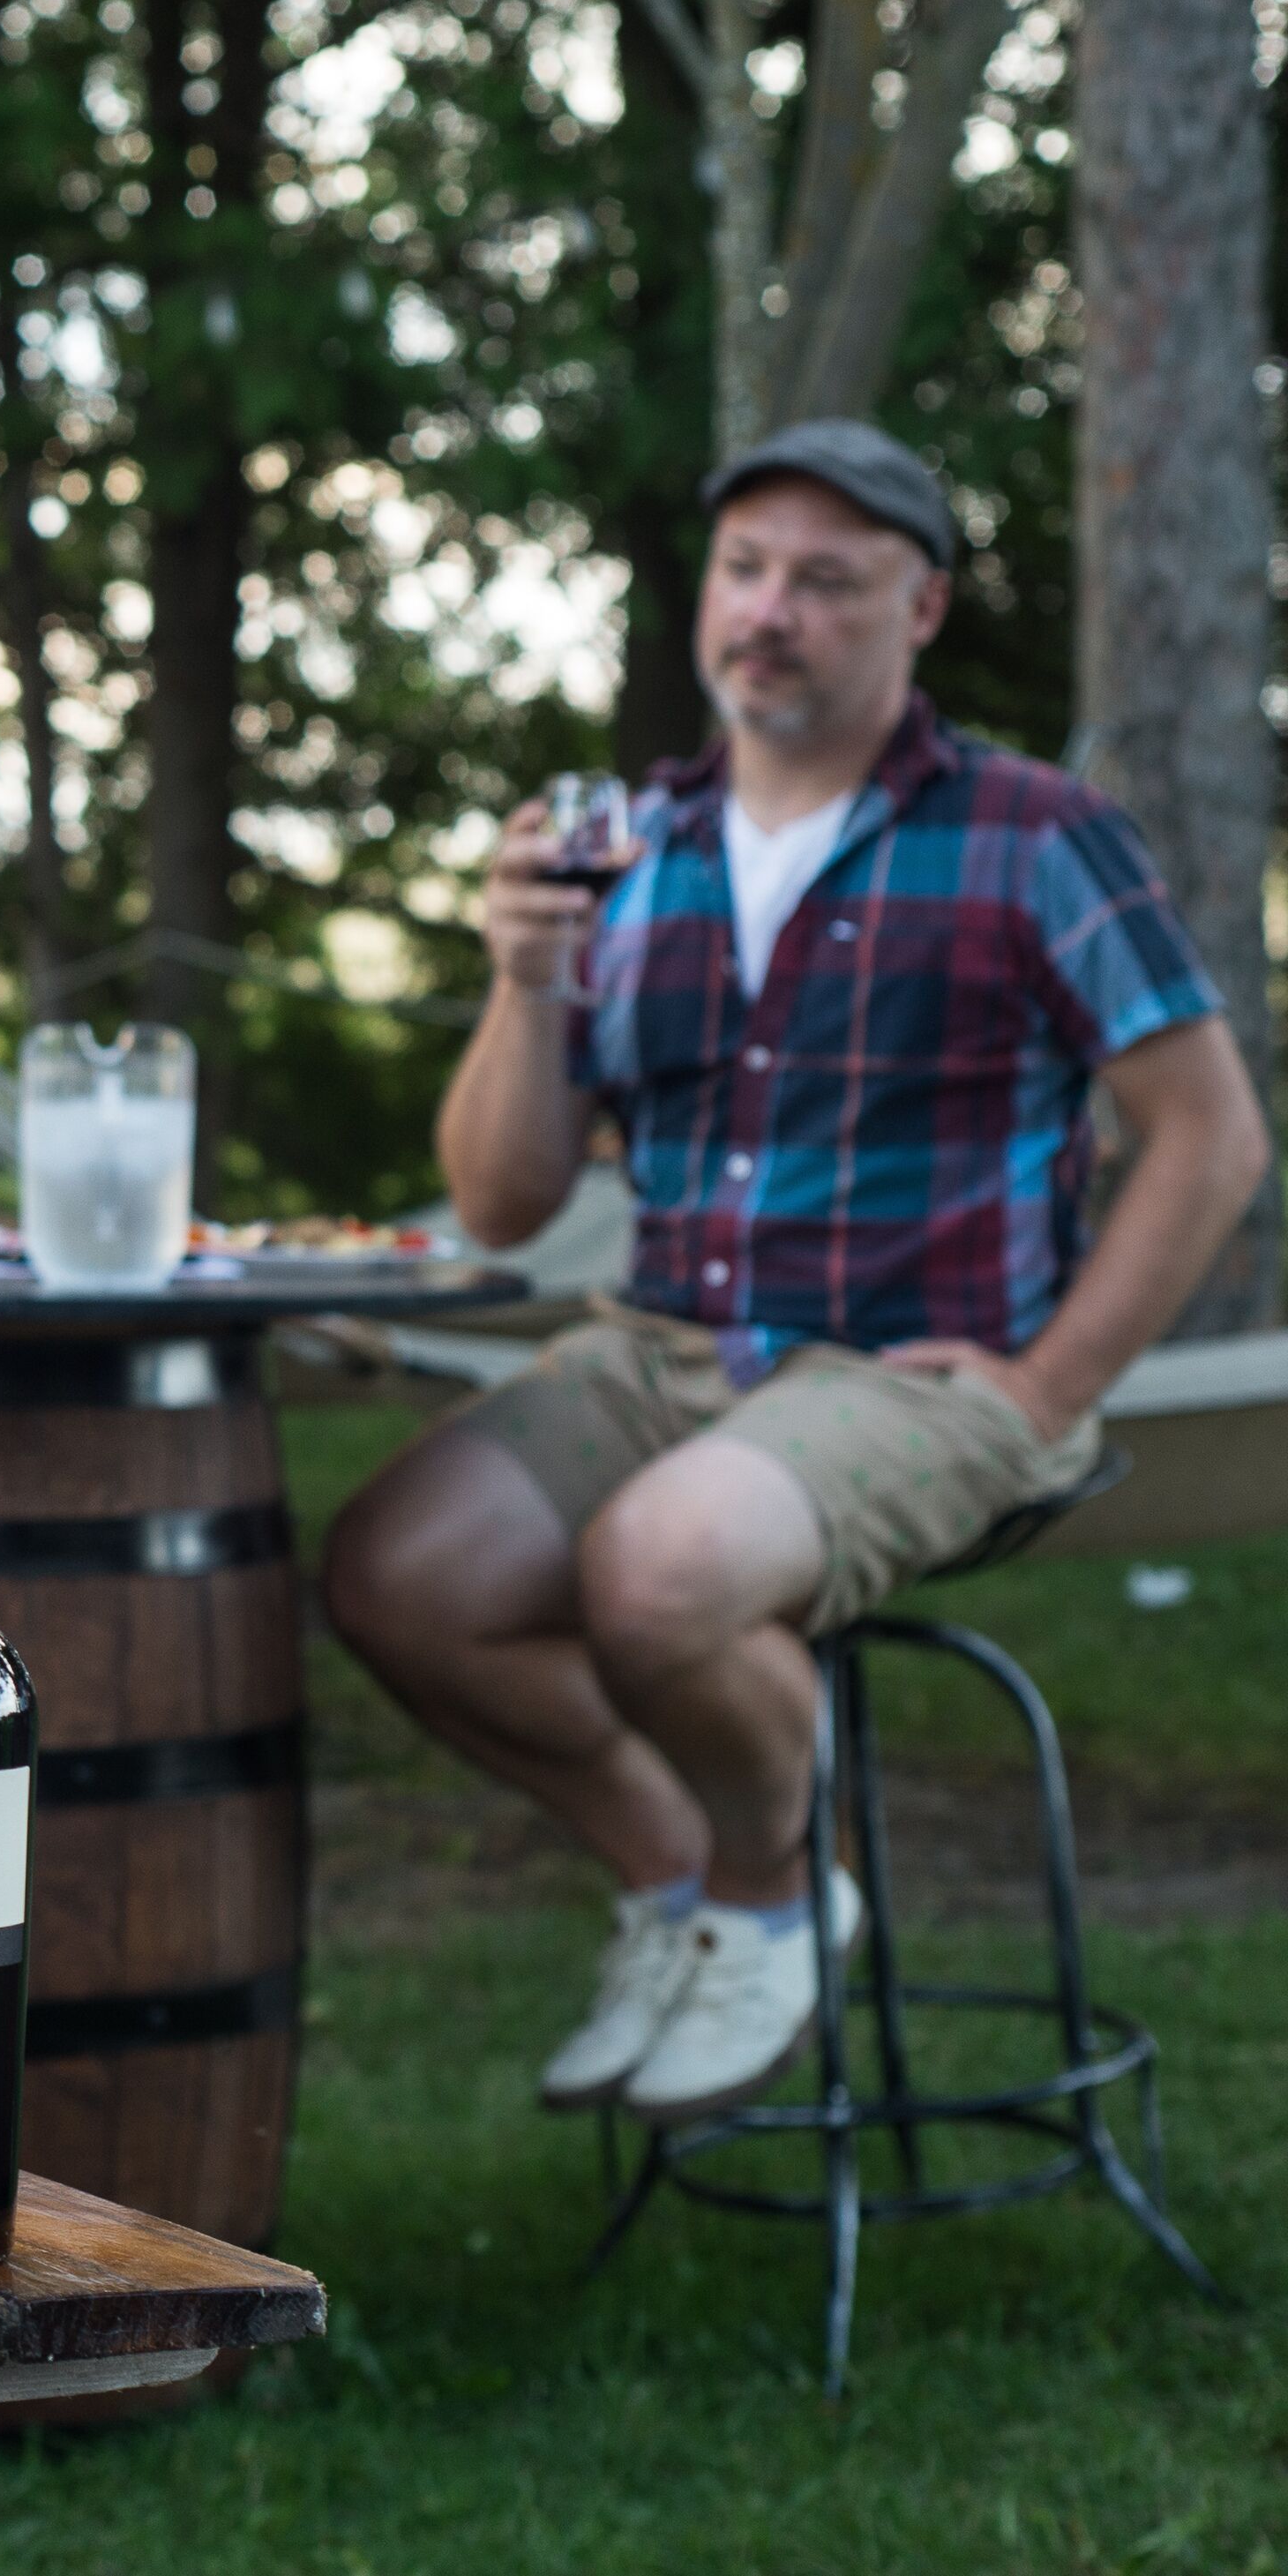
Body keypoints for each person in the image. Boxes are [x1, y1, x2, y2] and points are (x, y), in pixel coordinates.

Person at [323, 419, 1270, 2127]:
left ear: (920, 610)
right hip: (661, 1347)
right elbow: (507, 1197)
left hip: (923, 1373)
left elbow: (1209, 1135)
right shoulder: (634, 844)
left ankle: (775, 1897)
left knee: (662, 1569)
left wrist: (1054, 1384)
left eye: (827, 582)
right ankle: (678, 1868)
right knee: (398, 1574)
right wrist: (523, 981)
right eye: (747, 570)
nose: (772, 611)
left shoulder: (1036, 835)